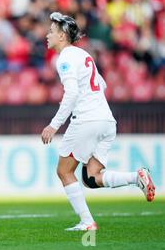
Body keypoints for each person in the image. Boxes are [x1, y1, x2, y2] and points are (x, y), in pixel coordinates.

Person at [41, 12, 156, 231]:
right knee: (91, 178)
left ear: (62, 36)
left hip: (87, 120)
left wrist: (54, 124)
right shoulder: (84, 55)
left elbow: (72, 93)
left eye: (51, 32)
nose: (47, 35)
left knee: (64, 171)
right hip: (106, 120)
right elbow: (101, 85)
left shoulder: (64, 57)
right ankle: (137, 177)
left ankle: (87, 223)